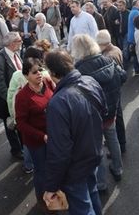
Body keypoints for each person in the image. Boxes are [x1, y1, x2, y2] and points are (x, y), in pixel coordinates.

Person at [43, 50, 106, 215]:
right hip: (93, 153)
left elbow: (59, 150)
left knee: (82, 208)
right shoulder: (90, 81)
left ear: (52, 73)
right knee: (92, 194)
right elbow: (103, 110)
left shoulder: (58, 102)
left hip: (75, 166)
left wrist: (51, 186)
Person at [72, 34, 125, 189]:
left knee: (98, 147)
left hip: (93, 115)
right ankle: (118, 168)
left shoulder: (79, 69)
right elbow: (123, 76)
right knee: (112, 139)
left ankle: (101, 183)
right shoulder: (108, 60)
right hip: (111, 109)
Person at [14, 56, 54, 205]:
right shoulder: (22, 97)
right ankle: (43, 200)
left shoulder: (48, 83)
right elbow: (21, 124)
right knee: (42, 170)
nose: (39, 74)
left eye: (40, 70)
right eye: (34, 72)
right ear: (26, 76)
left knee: (55, 167)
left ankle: (55, 194)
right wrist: (41, 136)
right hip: (37, 141)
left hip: (54, 135)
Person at [0, 32, 26, 160]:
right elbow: (0, 85)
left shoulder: (16, 54)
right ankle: (16, 150)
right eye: (19, 40)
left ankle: (23, 146)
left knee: (21, 124)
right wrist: (11, 101)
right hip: (8, 101)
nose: (21, 42)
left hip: (20, 98)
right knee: (11, 125)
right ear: (12, 44)